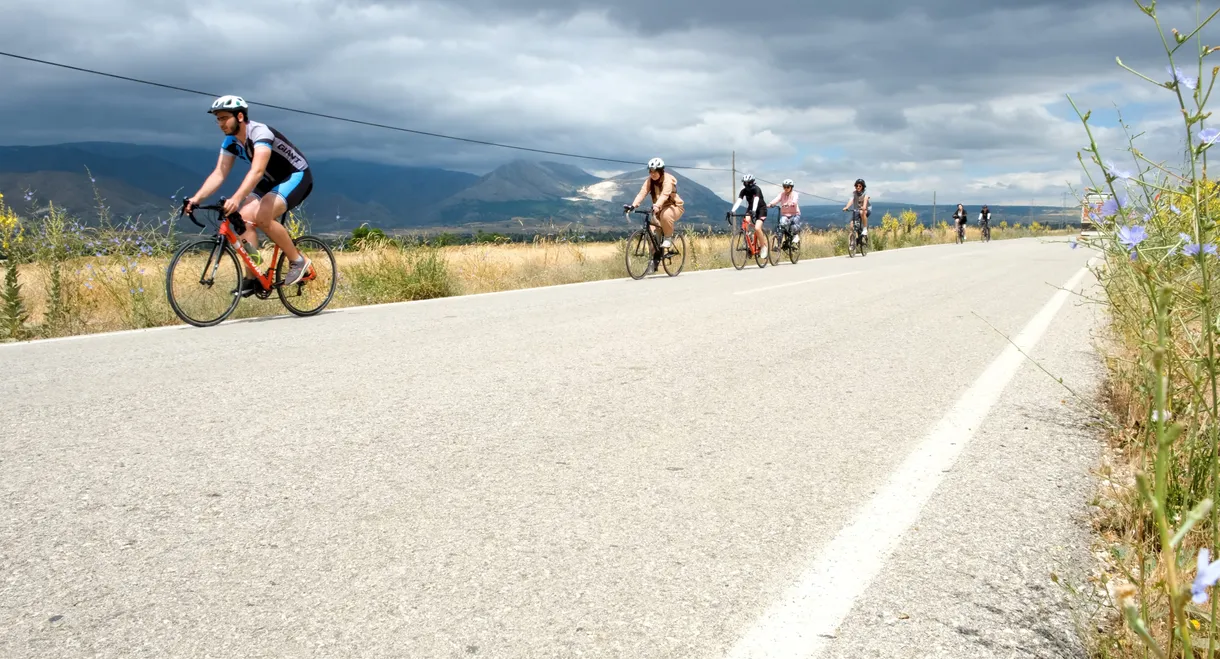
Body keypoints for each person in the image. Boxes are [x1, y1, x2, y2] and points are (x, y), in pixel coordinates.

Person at [184, 95, 314, 292]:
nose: (220, 123)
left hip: (296, 176)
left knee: (263, 217)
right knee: (242, 219)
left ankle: (297, 261)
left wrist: (236, 198)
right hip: (271, 180)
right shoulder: (230, 142)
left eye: (224, 118)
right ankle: (253, 276)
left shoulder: (260, 133)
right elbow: (219, 173)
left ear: (240, 116)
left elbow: (257, 171)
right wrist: (196, 198)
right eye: (217, 119)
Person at [626, 157, 684, 273]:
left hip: (673, 207)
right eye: (650, 171)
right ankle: (655, 259)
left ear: (661, 171)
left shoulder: (668, 180)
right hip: (658, 209)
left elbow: (664, 194)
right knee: (651, 233)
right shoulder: (649, 181)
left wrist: (657, 205)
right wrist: (633, 206)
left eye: (655, 171)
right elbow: (642, 193)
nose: (652, 174)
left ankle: (668, 237)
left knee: (665, 216)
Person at [731, 174, 768, 260]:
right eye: (745, 183)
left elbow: (756, 200)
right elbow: (738, 201)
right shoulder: (743, 191)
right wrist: (732, 211)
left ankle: (763, 247)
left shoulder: (756, 189)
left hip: (761, 209)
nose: (746, 185)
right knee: (745, 222)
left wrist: (754, 210)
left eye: (748, 183)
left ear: (752, 182)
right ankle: (748, 240)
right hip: (751, 209)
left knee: (757, 228)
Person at [768, 179, 801, 246]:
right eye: (784, 187)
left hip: (794, 214)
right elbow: (776, 199)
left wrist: (793, 203)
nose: (786, 188)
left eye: (788, 187)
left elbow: (795, 200)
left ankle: (795, 235)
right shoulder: (782, 194)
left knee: (793, 225)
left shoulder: (795, 194)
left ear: (791, 187)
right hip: (785, 215)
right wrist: (770, 204)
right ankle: (778, 245)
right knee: (781, 225)